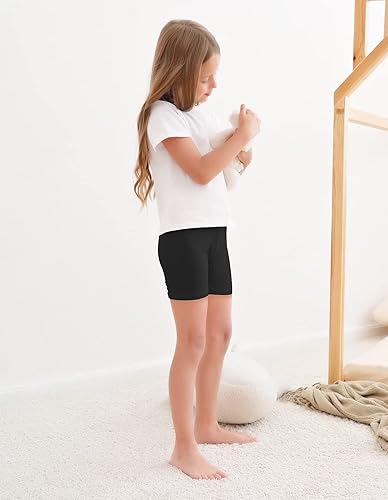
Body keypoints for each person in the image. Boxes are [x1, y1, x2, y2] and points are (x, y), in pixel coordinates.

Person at [134, 19, 261, 481]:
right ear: (181, 71)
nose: (214, 85)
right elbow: (201, 171)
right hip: (183, 239)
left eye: (215, 76)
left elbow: (223, 173)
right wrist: (240, 138)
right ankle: (183, 447)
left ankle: (207, 425)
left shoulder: (201, 117)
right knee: (192, 341)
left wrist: (241, 151)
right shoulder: (162, 115)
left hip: (214, 233)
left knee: (220, 334)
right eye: (206, 76)